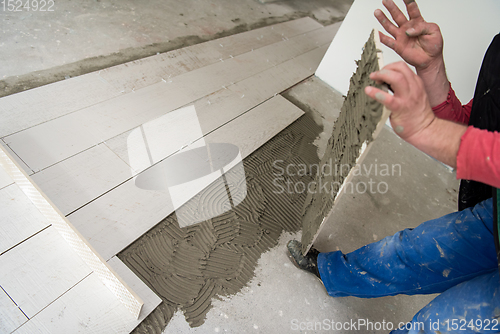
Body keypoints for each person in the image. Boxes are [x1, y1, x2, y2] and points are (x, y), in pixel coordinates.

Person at [287, 0, 500, 332]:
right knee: (410, 250)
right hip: (495, 213)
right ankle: (335, 274)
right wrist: (431, 70)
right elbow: (477, 127)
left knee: (439, 325)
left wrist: (428, 131)